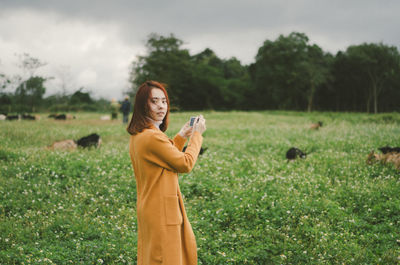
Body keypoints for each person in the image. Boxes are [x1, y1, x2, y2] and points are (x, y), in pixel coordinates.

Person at [127, 80, 206, 265]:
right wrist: (196, 136)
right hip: (163, 212)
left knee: (153, 258)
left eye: (164, 101)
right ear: (142, 105)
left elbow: (163, 159)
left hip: (151, 208)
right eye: (154, 101)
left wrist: (180, 136)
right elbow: (184, 164)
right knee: (168, 259)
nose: (161, 106)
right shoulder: (152, 136)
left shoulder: (140, 134)